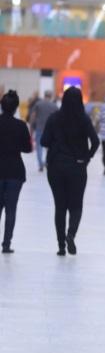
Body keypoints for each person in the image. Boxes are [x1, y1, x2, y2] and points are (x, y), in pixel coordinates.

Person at [41, 87, 100, 256]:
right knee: (76, 205)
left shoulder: (54, 118)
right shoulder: (84, 119)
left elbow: (44, 141)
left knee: (60, 206)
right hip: (77, 167)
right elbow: (95, 142)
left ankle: (60, 246)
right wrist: (87, 158)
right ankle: (71, 234)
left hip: (55, 167)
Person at [0, 91, 32, 253]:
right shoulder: (20, 126)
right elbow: (28, 148)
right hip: (15, 171)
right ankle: (6, 244)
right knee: (11, 209)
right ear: (15, 108)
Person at [29, 90, 58, 172]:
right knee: (49, 148)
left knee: (39, 147)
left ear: (44, 95)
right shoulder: (54, 106)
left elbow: (33, 116)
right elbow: (58, 118)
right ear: (51, 96)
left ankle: (40, 164)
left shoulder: (38, 104)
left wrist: (31, 128)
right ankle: (47, 162)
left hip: (39, 128)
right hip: (51, 131)